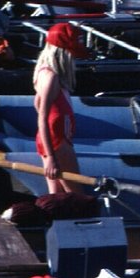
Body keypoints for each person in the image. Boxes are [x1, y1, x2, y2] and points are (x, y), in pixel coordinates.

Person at [33, 22, 90, 195]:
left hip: (53, 139)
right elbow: (42, 117)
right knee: (75, 195)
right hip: (57, 140)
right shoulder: (52, 77)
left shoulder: (43, 73)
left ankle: (57, 220)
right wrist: (51, 157)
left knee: (57, 195)